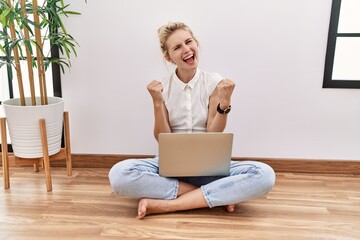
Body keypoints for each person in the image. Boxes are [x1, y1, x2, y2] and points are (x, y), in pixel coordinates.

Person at [108, 22, 275, 219]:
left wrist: (225, 103)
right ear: (168, 57)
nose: (186, 50)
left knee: (264, 175)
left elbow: (214, 134)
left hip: (208, 166)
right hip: (169, 167)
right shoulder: (162, 87)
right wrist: (156, 102)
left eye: (189, 42)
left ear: (196, 43)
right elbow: (162, 138)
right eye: (177, 47)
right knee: (119, 175)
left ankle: (169, 205)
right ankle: (215, 193)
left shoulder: (213, 82)